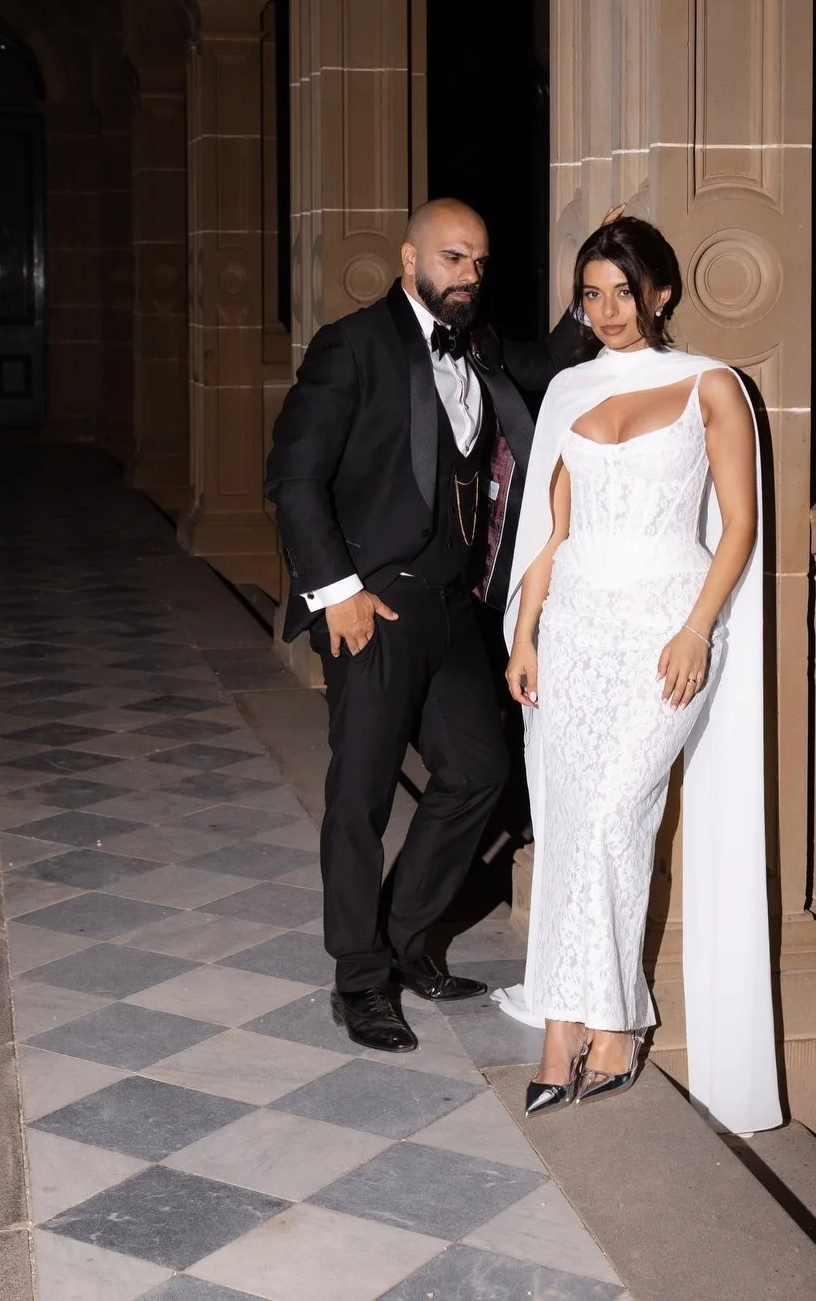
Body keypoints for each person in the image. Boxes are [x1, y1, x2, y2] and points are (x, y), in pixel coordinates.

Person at [265, 197, 597, 1054]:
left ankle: (405, 941)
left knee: (477, 776)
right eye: (453, 259)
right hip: (374, 602)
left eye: (480, 262)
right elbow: (294, 475)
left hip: (453, 605)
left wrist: (594, 273)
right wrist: (334, 590)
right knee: (361, 796)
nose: (469, 277)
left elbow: (552, 362)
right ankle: (358, 978)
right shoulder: (353, 345)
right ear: (410, 259)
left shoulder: (479, 344)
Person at [496, 216, 783, 1134]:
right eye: (591, 293)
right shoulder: (567, 388)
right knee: (576, 820)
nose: (608, 310)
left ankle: (562, 1031)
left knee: (618, 810)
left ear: (659, 291)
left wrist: (699, 627)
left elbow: (736, 525)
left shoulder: (711, 386)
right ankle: (608, 1028)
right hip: (573, 630)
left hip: (665, 628)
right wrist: (526, 633)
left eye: (623, 291)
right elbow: (551, 527)